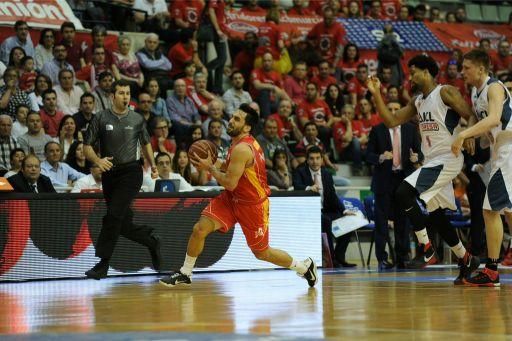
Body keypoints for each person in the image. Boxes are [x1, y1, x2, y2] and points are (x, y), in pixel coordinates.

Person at [160, 104, 318, 288]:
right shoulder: (240, 143)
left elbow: (229, 182)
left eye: (237, 119)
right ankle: (186, 272)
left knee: (262, 253)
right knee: (199, 229)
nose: (231, 121)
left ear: (247, 127)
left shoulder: (242, 149)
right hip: (231, 199)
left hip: (252, 205)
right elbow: (232, 169)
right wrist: (212, 161)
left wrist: (209, 168)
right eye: (232, 116)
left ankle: (305, 268)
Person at [366, 54, 480, 284]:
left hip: (448, 157)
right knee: (437, 216)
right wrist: (376, 93)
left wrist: (468, 134)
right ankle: (467, 259)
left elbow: (470, 114)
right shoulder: (418, 101)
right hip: (432, 161)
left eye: (414, 72)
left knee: (403, 193)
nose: (410, 77)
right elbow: (390, 120)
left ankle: (427, 247)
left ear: (426, 72)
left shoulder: (445, 92)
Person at [82, 79, 162, 280]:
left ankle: (102, 263)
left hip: (132, 172)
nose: (125, 97)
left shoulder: (136, 119)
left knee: (113, 216)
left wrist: (153, 166)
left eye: (127, 93)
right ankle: (150, 240)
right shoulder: (100, 118)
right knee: (121, 223)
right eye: (121, 93)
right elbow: (87, 146)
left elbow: (145, 144)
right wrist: (98, 160)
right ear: (112, 96)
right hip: (109, 174)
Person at [450, 49, 512, 286]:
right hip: (500, 151)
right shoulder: (476, 92)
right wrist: (473, 133)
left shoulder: (494, 87)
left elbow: (495, 117)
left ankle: (492, 270)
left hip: (509, 149)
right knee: (507, 212)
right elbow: (479, 117)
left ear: (481, 69)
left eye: (466, 68)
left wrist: (464, 134)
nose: (462, 71)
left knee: (490, 209)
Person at [365, 100, 423, 270]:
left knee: (403, 221)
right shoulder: (377, 130)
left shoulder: (410, 129)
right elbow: (368, 155)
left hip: (403, 180)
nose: (393, 111)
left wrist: (416, 158)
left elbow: (419, 153)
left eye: (396, 109)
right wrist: (381, 157)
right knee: (381, 222)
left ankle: (402, 258)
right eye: (389, 109)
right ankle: (382, 259)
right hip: (384, 180)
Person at [293, 146, 355, 267]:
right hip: (309, 213)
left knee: (349, 222)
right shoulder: (300, 172)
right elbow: (296, 186)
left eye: (317, 158)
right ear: (307, 160)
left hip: (326, 210)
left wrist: (344, 210)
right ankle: (331, 259)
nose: (315, 161)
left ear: (322, 159)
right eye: (311, 158)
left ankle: (339, 257)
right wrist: (308, 189)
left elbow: (332, 195)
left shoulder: (326, 174)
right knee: (326, 222)